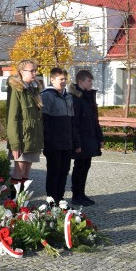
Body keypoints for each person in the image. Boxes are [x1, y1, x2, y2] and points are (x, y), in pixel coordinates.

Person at [5, 60, 44, 199]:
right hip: (22, 138)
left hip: (32, 138)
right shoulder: (17, 89)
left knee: (27, 171)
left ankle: (23, 202)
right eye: (31, 70)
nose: (35, 73)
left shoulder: (32, 89)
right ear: (22, 72)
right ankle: (13, 202)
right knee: (19, 169)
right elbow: (12, 118)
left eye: (35, 70)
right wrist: (15, 144)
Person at [41, 67, 78, 203]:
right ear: (52, 80)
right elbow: (45, 121)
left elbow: (72, 122)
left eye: (65, 79)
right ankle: (51, 200)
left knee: (64, 171)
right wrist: (48, 141)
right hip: (53, 142)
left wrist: (75, 142)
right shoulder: (47, 95)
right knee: (53, 171)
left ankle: (60, 199)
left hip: (66, 142)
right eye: (60, 79)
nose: (63, 82)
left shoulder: (68, 97)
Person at [67, 70, 103, 206]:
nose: (91, 83)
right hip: (81, 139)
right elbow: (74, 122)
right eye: (89, 81)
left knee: (85, 166)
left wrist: (99, 136)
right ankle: (76, 195)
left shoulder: (87, 97)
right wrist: (76, 143)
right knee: (79, 167)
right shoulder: (75, 98)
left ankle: (81, 193)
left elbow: (94, 119)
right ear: (81, 81)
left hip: (89, 138)